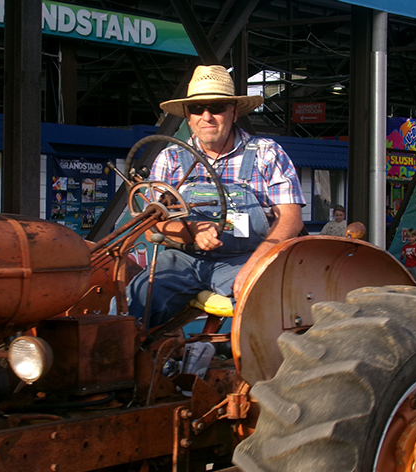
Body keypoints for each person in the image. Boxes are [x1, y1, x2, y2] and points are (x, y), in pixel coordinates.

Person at [121, 65, 305, 328]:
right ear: (187, 115)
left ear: (234, 110)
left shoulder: (266, 153)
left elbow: (290, 218)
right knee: (132, 308)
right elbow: (153, 227)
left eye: (216, 107)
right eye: (197, 109)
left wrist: (257, 264)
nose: (206, 116)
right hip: (183, 259)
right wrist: (193, 230)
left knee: (273, 305)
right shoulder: (171, 158)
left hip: (246, 257)